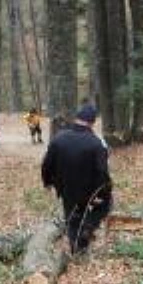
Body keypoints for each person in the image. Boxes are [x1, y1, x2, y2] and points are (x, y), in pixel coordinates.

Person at [40, 103, 112, 254]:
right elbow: (102, 173)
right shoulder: (96, 144)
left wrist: (47, 182)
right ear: (92, 122)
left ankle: (77, 250)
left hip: (66, 189)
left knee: (72, 218)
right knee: (105, 205)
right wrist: (104, 194)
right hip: (90, 191)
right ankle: (88, 226)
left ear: (76, 118)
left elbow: (47, 164)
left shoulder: (58, 139)